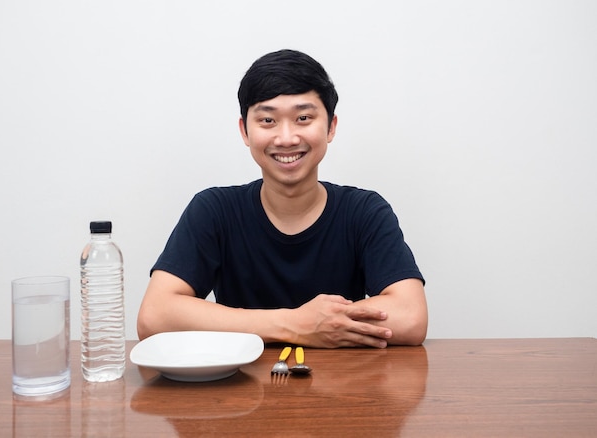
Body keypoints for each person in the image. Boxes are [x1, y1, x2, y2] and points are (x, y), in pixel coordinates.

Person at [137, 49, 428, 348]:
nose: (286, 138)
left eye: (303, 118)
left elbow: (410, 316)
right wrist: (296, 325)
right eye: (267, 120)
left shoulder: (364, 212)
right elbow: (155, 316)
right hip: (240, 388)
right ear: (245, 131)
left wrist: (316, 323)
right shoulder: (214, 210)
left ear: (331, 127)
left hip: (343, 389)